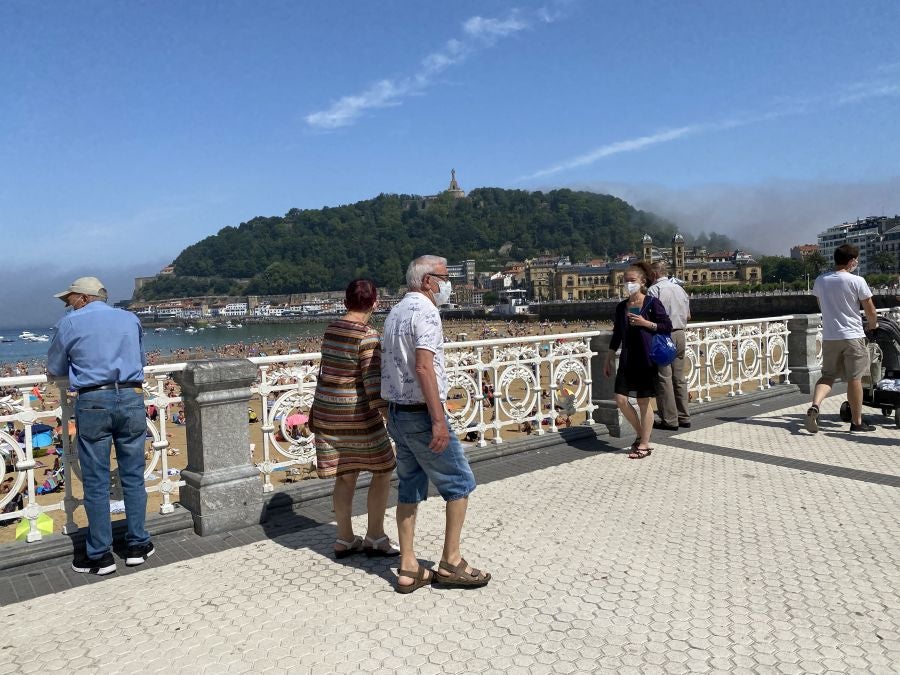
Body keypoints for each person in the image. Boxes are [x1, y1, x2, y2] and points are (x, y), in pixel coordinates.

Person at [381, 255, 491, 593]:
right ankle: (451, 562)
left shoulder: (394, 312)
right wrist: (438, 420)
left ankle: (408, 566)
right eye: (445, 276)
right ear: (428, 281)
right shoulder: (427, 312)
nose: (449, 283)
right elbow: (425, 367)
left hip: (396, 412)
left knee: (409, 486)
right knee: (459, 483)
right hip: (421, 414)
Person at [46, 276, 154, 575]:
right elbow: (140, 359)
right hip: (131, 396)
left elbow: (55, 367)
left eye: (69, 298)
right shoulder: (129, 318)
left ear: (83, 297)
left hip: (94, 400)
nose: (67, 304)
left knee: (95, 480)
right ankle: (137, 545)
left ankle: (100, 555)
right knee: (133, 475)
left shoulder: (70, 323)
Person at [309, 279, 399, 559]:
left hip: (327, 415)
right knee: (383, 470)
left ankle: (344, 538)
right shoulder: (368, 336)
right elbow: (372, 384)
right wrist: (388, 416)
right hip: (357, 417)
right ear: (375, 303)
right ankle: (375, 536)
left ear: (346, 302)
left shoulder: (331, 329)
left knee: (345, 475)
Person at [805, 244, 879, 433]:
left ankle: (815, 406)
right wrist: (873, 326)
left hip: (830, 336)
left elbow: (821, 305)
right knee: (855, 379)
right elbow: (870, 310)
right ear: (851, 261)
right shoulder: (857, 281)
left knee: (828, 376)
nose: (857, 263)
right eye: (856, 260)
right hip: (853, 335)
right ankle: (856, 423)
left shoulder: (821, 281)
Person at [603, 262, 672, 459]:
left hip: (646, 357)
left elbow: (666, 326)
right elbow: (617, 334)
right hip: (627, 358)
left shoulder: (651, 303)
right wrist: (608, 358)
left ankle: (644, 444)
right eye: (625, 281)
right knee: (621, 400)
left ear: (642, 282)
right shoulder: (621, 307)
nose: (628, 284)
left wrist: (644, 323)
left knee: (643, 401)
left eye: (632, 281)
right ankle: (642, 434)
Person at [648, 260, 692, 430]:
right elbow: (688, 315)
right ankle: (684, 416)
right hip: (680, 334)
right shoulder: (680, 289)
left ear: (654, 274)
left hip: (663, 336)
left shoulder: (654, 290)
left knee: (664, 378)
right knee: (678, 378)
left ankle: (670, 420)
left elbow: (650, 316)